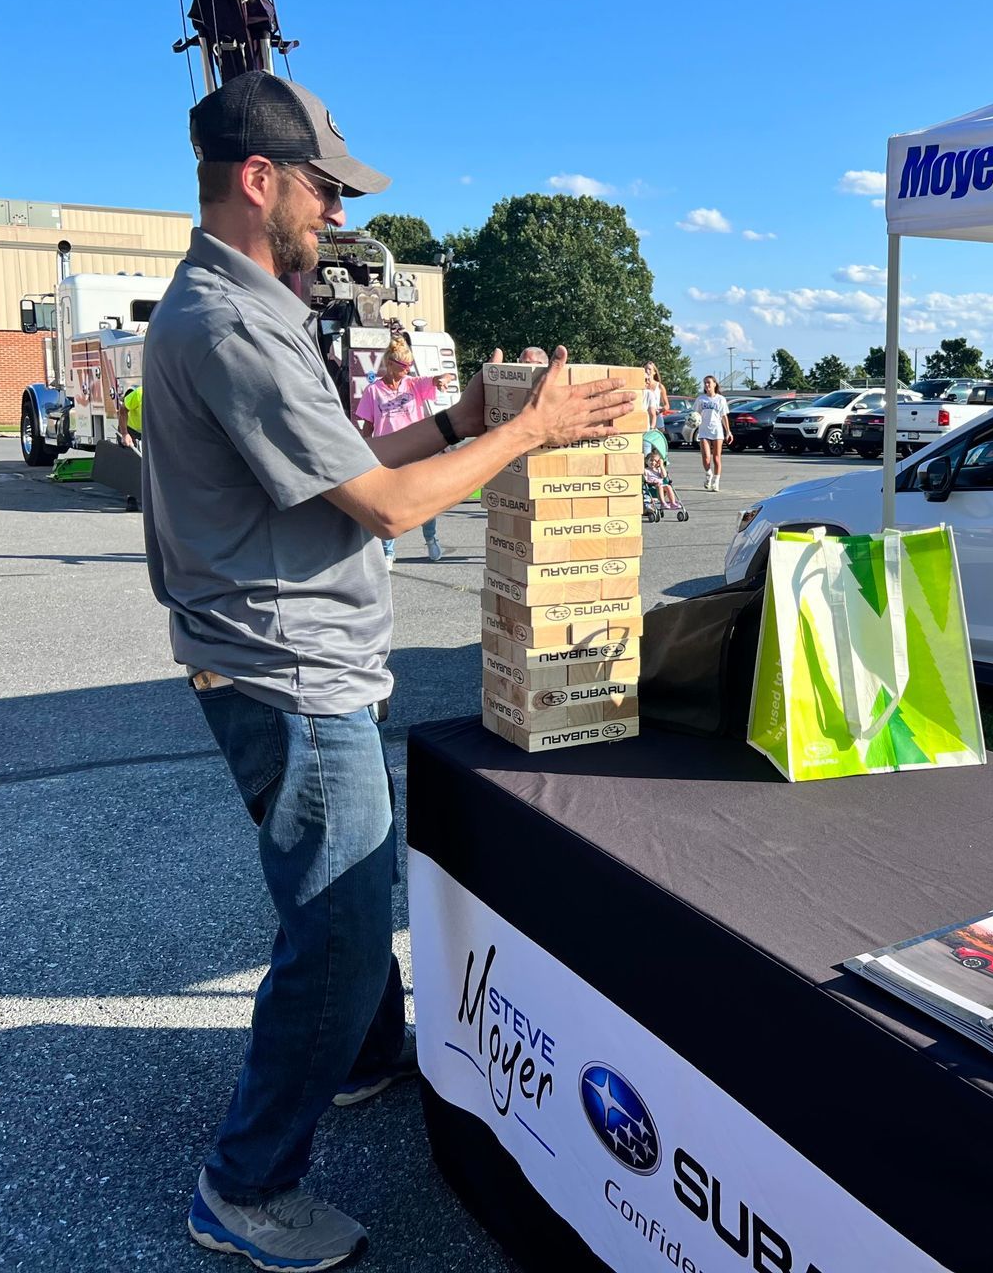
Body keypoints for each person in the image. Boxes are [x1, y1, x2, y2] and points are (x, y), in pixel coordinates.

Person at [140, 70, 632, 1272]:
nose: (338, 214)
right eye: (322, 188)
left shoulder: (249, 304)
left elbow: (350, 457)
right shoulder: (231, 323)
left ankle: (360, 1061)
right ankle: (244, 1187)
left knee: (332, 908)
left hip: (278, 663)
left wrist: (464, 416)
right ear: (258, 181)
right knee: (345, 934)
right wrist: (529, 432)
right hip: (289, 676)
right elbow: (385, 504)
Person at [352, 336, 456, 565]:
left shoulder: (413, 384)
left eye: (410, 367)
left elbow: (442, 377)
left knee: (424, 499)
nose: (407, 371)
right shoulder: (373, 391)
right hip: (388, 452)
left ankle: (431, 539)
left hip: (417, 449)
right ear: (390, 364)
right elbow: (368, 427)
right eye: (403, 367)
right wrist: (364, 451)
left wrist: (443, 380)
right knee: (389, 503)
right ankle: (388, 551)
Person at [694, 374, 731, 491]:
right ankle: (708, 474)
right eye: (705, 383)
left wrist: (728, 432)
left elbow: (724, 416)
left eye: (709, 382)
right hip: (704, 430)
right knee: (706, 457)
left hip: (717, 431)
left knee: (716, 458)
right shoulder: (701, 399)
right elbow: (696, 415)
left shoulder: (720, 399)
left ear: (714, 384)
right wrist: (692, 422)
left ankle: (716, 481)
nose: (706, 385)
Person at [117, 382, 144, 449]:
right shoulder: (140, 393)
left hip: (146, 432)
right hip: (130, 430)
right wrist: (124, 434)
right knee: (130, 456)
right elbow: (123, 409)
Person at [642, 360, 664, 432]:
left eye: (649, 369)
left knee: (656, 437)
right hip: (645, 416)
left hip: (656, 415)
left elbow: (667, 406)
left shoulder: (659, 386)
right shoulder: (641, 386)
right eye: (645, 369)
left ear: (654, 372)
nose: (647, 371)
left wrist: (659, 410)